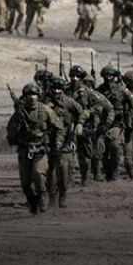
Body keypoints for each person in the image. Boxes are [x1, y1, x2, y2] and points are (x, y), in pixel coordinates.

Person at [7, 82, 59, 215]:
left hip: (40, 149)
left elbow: (59, 127)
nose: (32, 97)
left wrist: (56, 145)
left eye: (34, 94)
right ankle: (32, 201)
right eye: (29, 95)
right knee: (25, 183)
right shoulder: (19, 112)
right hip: (25, 149)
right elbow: (11, 133)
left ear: (39, 96)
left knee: (38, 174)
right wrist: (18, 120)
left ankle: (42, 195)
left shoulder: (45, 110)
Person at [68, 65, 113, 184]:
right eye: (72, 76)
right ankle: (70, 178)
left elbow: (106, 106)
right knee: (68, 153)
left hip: (86, 126)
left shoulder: (89, 92)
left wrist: (95, 115)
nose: (74, 78)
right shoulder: (66, 90)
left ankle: (88, 175)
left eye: (77, 76)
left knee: (87, 153)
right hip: (69, 126)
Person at [42, 76, 82, 208]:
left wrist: (79, 124)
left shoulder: (69, 102)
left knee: (64, 170)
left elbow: (82, 112)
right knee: (50, 171)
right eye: (54, 88)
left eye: (59, 89)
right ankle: (52, 196)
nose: (57, 91)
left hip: (65, 140)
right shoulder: (43, 102)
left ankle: (63, 193)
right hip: (48, 140)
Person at [98, 65, 133, 181]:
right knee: (102, 150)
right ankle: (108, 171)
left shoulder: (121, 89)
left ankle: (115, 169)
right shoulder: (100, 90)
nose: (108, 78)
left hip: (117, 122)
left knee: (115, 146)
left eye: (110, 75)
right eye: (106, 75)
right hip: (103, 122)